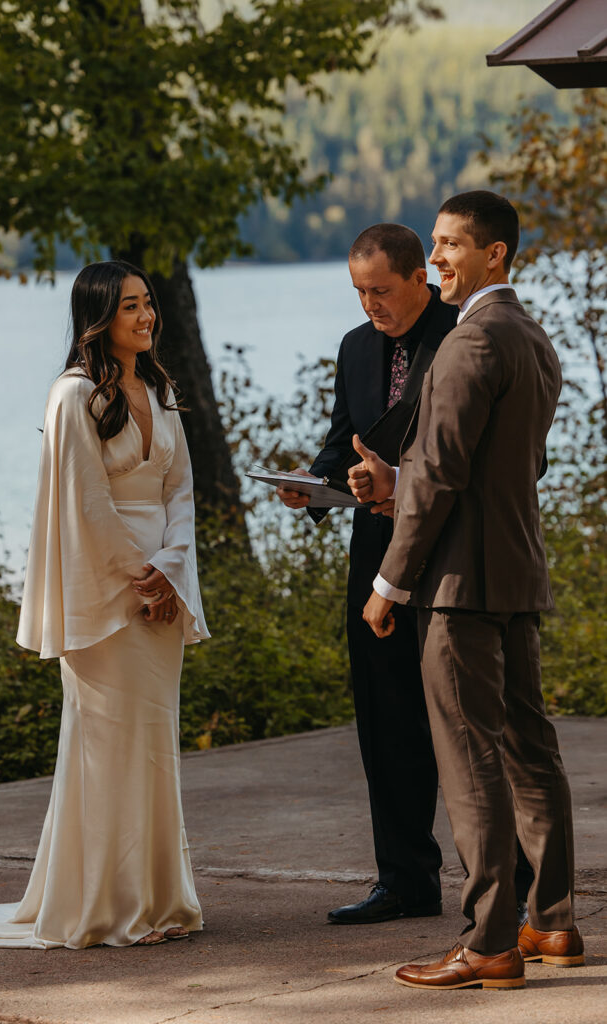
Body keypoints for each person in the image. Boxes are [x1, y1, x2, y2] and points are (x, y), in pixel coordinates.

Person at [0, 260, 209, 949]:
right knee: (105, 744)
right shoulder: (72, 395)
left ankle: (157, 900)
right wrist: (137, 575)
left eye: (148, 305)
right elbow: (84, 500)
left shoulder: (160, 388)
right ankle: (105, 905)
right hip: (104, 591)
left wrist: (169, 572)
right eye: (131, 307)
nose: (146, 317)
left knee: (152, 746)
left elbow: (180, 491)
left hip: (160, 589)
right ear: (98, 317)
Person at [349, 191, 583, 990]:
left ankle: (487, 942)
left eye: (451, 245)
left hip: (456, 584)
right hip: (515, 571)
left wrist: (388, 581)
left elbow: (444, 472)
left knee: (470, 761)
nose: (438, 256)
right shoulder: (532, 338)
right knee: (529, 749)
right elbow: (505, 467)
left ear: (496, 255)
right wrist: (398, 479)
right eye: (437, 243)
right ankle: (550, 923)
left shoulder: (467, 342)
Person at [279, 225, 458, 922]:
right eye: (357, 292)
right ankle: (406, 882)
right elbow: (340, 445)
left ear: (422, 277)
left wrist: (396, 479)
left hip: (452, 557)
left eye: (380, 290)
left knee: (469, 726)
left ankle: (514, 888)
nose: (368, 305)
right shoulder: (354, 348)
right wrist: (311, 484)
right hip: (374, 559)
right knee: (385, 724)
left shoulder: (465, 334)